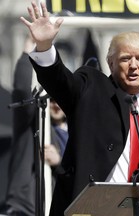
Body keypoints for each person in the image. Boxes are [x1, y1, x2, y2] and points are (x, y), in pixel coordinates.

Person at [20, 2, 139, 215]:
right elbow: (61, 82)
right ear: (110, 63)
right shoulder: (91, 87)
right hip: (88, 207)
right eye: (125, 58)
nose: (133, 65)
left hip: (137, 209)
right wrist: (45, 46)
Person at [0, 35, 68, 216]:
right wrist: (29, 48)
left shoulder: (76, 134)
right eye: (51, 98)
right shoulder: (32, 125)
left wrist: (60, 162)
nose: (55, 103)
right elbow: (22, 91)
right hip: (25, 209)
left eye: (59, 99)